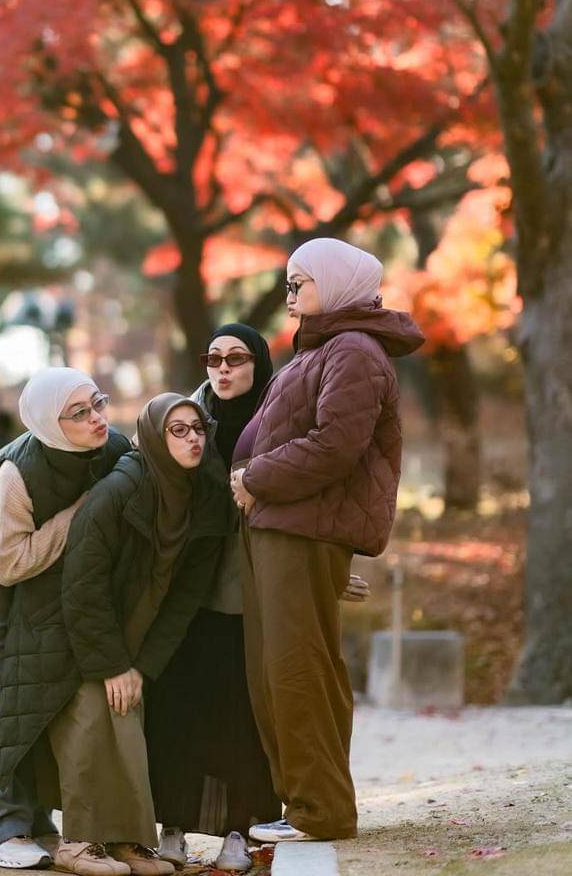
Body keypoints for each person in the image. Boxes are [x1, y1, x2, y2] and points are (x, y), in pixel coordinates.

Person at [147, 326, 369, 871]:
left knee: (247, 719)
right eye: (212, 357)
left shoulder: (278, 417)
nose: (222, 369)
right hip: (185, 597)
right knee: (178, 713)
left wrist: (330, 575)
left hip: (254, 595)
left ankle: (240, 831)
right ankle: (171, 825)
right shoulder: (184, 420)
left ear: (258, 363)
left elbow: (309, 497)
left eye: (236, 359)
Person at [231, 239, 424, 844]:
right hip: (277, 528)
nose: (289, 296)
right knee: (277, 673)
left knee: (298, 670)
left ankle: (322, 812)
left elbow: (335, 446)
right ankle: (306, 805)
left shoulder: (356, 351)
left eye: (299, 283)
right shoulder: (318, 350)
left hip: (303, 528)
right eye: (287, 284)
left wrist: (255, 478)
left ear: (336, 284)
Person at [0, 367, 130, 869]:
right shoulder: (15, 474)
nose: (96, 418)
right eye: (79, 413)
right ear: (50, 424)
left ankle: (34, 819)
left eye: (98, 403)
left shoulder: (113, 448)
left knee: (34, 684)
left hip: (43, 571)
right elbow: (10, 565)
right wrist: (82, 512)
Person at [52, 394, 232, 876]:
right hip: (83, 626)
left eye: (198, 428)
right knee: (92, 716)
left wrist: (139, 665)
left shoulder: (203, 498)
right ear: (154, 436)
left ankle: (129, 842)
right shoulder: (120, 490)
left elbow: (184, 601)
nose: (193, 438)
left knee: (127, 718)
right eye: (178, 430)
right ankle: (78, 842)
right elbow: (82, 584)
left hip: (137, 632)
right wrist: (111, 663)